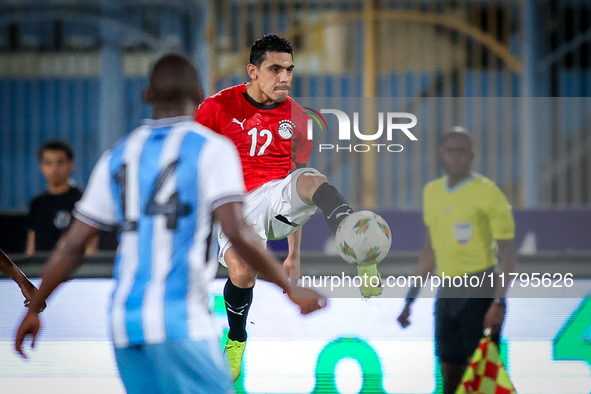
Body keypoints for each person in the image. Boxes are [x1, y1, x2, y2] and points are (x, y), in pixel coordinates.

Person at [15, 53, 325, 394]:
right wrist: (288, 286)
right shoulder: (211, 149)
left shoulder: (119, 155)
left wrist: (37, 305)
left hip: (124, 327)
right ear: (198, 93)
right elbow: (237, 231)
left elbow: (72, 245)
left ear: (147, 95)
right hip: (180, 322)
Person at [196, 33, 383, 382]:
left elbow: (294, 181)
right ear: (253, 71)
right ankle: (237, 338)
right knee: (241, 272)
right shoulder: (217, 108)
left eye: (290, 70)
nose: (284, 77)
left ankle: (360, 250)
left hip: (277, 196)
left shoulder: (297, 116)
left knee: (312, 179)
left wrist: (294, 254)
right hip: (235, 206)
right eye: (275, 69)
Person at [396, 128, 517, 394]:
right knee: (449, 372)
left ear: (472, 156)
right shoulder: (432, 192)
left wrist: (499, 302)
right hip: (447, 290)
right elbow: (429, 250)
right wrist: (409, 301)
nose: (455, 156)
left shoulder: (488, 193)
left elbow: (507, 253)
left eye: (461, 150)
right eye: (450, 150)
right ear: (442, 154)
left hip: (480, 286)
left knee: (485, 374)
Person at [26, 140, 98, 255]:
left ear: (70, 164)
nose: (54, 168)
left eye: (60, 163)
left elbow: (91, 241)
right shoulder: (37, 203)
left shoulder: (82, 200)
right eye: (48, 163)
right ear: (42, 166)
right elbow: (31, 244)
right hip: (40, 270)